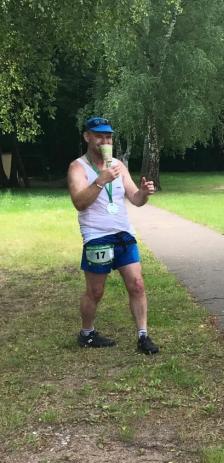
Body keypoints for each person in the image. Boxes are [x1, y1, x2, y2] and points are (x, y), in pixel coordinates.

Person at [67, 116, 159, 354]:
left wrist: (144, 193)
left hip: (124, 234)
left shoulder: (118, 165)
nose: (104, 141)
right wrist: (100, 181)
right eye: (99, 136)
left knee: (137, 284)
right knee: (95, 292)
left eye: (108, 137)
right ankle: (87, 334)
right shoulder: (78, 167)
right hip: (97, 236)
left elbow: (135, 199)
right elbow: (79, 203)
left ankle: (143, 336)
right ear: (87, 137)